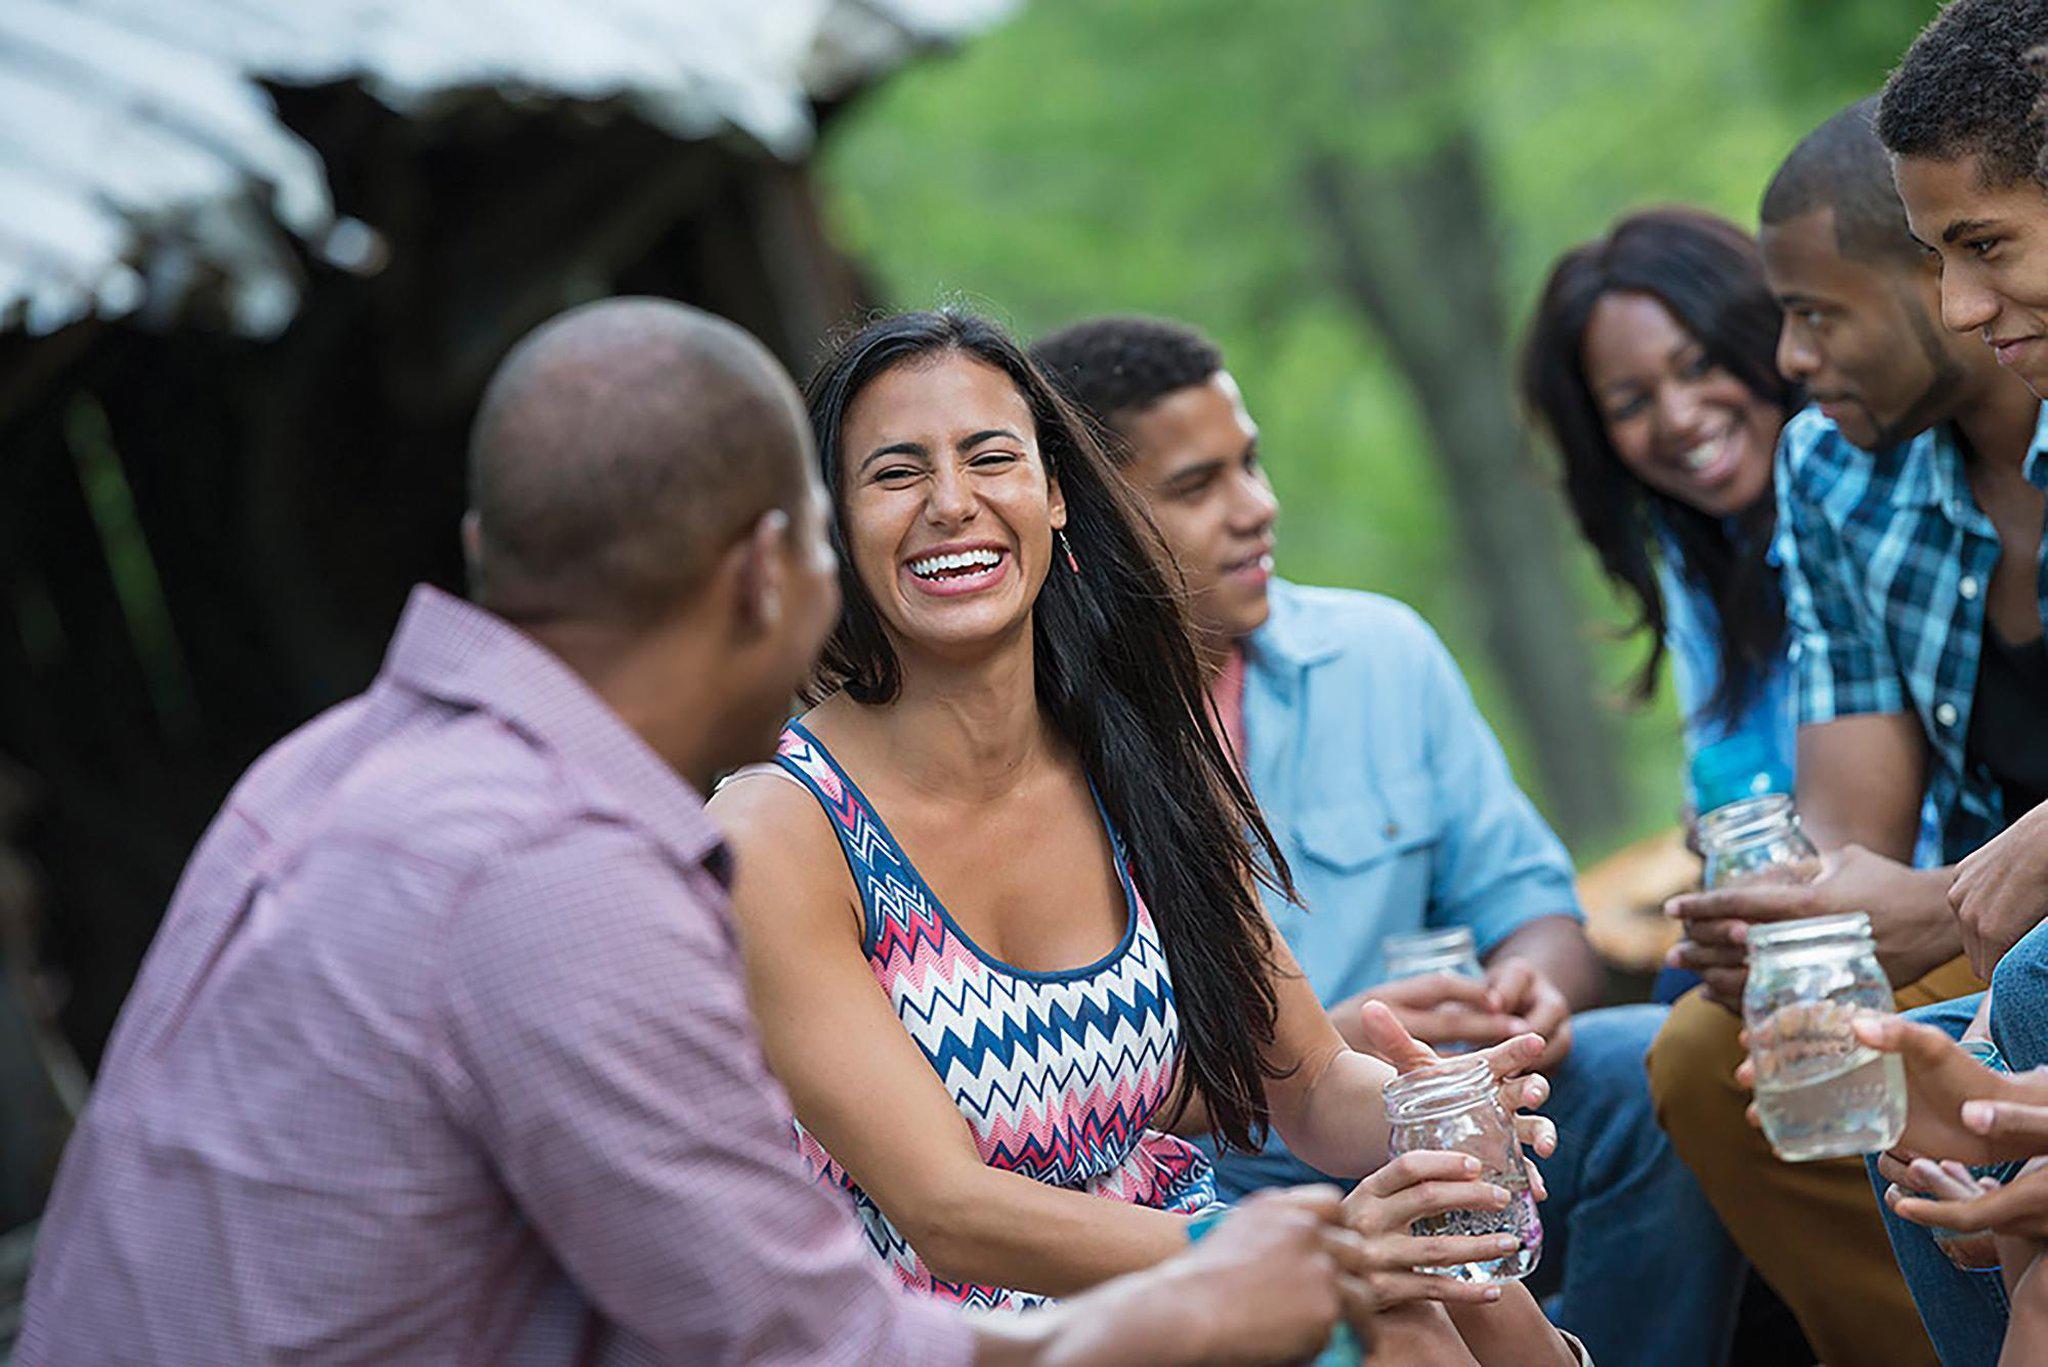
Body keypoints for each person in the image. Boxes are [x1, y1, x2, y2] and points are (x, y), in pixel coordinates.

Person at [15, 298, 1381, 1366]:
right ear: (774, 569)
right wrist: (1191, 1296)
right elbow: (810, 1332)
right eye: (884, 486)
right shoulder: (565, 873)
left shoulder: (327, 770)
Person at [710, 310, 1583, 1364]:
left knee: (1462, 1304)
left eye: (992, 457)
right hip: (969, 1333)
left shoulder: (1138, 759)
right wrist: (1270, 1253)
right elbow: (945, 1208)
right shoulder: (781, 828)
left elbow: (1303, 1078)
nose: (952, 504)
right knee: (1396, 1322)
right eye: (896, 474)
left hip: (1198, 1285)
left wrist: (1429, 1110)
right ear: (835, 525)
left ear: (1056, 494)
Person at [1029, 313, 1742, 1367]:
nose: (1256, 509)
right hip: (1223, 1168)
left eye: (1251, 464)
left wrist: (1522, 994)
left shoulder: (1380, 653)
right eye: (1196, 486)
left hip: (1431, 1102)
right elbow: (1082, 1084)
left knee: (1640, 1065)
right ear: (1079, 526)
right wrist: (1323, 1043)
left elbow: (1534, 908)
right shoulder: (1048, 749)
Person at [1653, 94, 2048, 1367]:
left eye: (1816, 312)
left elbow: (1948, 902)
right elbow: (1848, 821)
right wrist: (1788, 920)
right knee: (1718, 1046)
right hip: (1976, 899)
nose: (1786, 360)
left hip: (2008, 912)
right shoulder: (1833, 469)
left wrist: (1929, 907)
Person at [1522, 207, 1799, 840]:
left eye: (1699, 366)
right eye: (1631, 404)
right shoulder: (1694, 552)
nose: (1677, 417)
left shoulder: (1874, 494)